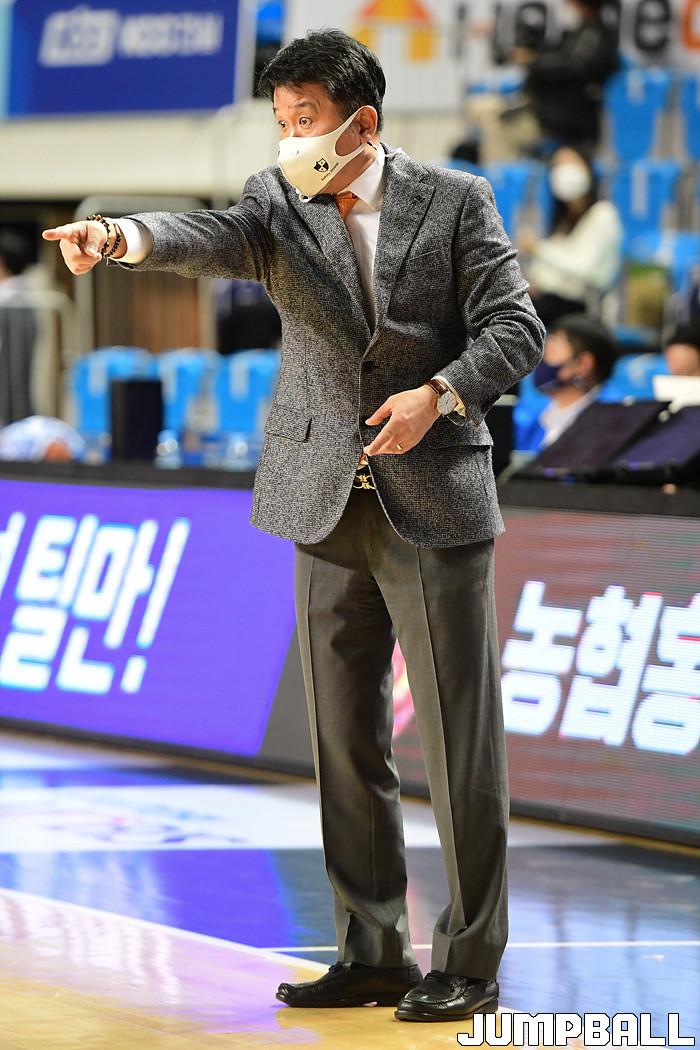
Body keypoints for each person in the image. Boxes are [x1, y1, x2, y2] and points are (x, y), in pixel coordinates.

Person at [43, 30, 545, 1024]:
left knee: (459, 746)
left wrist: (440, 394)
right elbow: (206, 235)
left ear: (361, 122)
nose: (289, 139)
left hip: (433, 496)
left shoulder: (454, 201)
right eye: (280, 121)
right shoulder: (276, 201)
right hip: (323, 498)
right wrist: (120, 235)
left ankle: (469, 961)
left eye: (304, 119)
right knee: (343, 745)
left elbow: (515, 327)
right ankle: (371, 952)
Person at [467, 0, 619, 165]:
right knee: (478, 108)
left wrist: (532, 60)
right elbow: (550, 56)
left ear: (581, 5)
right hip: (546, 110)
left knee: (497, 128)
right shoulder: (577, 33)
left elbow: (569, 68)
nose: (565, 7)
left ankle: (499, 180)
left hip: (563, 120)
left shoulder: (593, 37)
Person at [519, 146, 623, 328]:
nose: (564, 170)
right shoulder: (563, 220)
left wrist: (538, 248)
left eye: (571, 162)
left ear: (587, 168)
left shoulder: (603, 214)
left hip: (586, 308)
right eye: (558, 165)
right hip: (554, 302)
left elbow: (584, 269)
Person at [533, 313, 617, 447]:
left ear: (583, 364)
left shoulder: (615, 421)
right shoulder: (535, 414)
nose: (540, 360)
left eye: (551, 351)